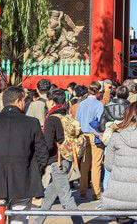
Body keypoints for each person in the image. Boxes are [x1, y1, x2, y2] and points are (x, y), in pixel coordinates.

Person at [0, 86, 49, 223]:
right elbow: (42, 153)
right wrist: (35, 172)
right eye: (24, 101)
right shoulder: (31, 123)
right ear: (19, 101)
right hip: (23, 180)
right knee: (19, 219)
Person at [32, 89, 84, 224]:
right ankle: (38, 221)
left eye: (48, 101)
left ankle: (79, 222)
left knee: (67, 199)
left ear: (52, 101)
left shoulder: (52, 119)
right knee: (48, 197)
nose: (46, 104)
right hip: (66, 159)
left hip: (57, 162)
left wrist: (40, 159)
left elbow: (48, 144)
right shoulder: (66, 116)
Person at [75, 80, 104, 201]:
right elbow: (100, 122)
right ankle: (96, 192)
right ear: (98, 92)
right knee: (96, 165)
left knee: (84, 164)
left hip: (83, 135)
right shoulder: (99, 105)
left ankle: (82, 191)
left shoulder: (81, 104)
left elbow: (77, 120)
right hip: (95, 136)